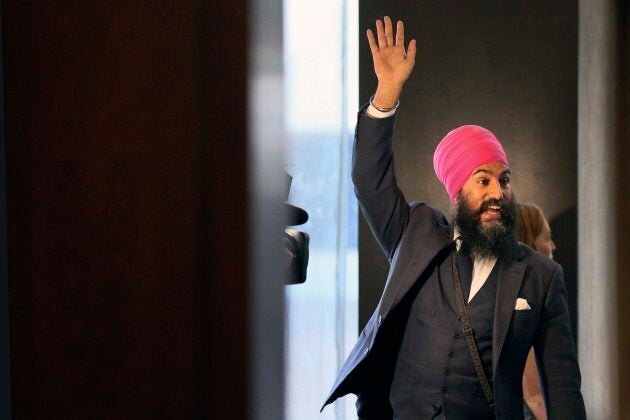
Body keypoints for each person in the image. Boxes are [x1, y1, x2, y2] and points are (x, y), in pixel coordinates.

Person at [321, 16, 585, 419]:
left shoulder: (541, 276)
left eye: (504, 180)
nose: (497, 192)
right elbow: (369, 182)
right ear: (457, 190)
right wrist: (387, 92)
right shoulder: (415, 235)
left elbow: (563, 388)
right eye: (483, 180)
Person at [515, 204, 557, 420]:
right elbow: (532, 392)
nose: (553, 246)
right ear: (530, 241)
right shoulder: (524, 300)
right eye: (547, 237)